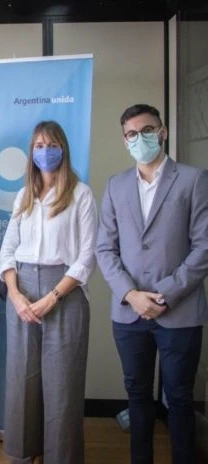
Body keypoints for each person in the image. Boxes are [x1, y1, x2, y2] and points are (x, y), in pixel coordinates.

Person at [96, 103, 208, 464]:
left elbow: (204, 247)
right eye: (131, 134)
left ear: (162, 132)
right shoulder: (116, 185)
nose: (139, 138)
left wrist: (164, 295)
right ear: (124, 140)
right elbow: (104, 248)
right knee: (137, 396)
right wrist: (131, 294)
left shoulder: (193, 179)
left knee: (179, 398)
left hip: (179, 312)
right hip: (129, 314)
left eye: (146, 130)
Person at [0, 120, 97, 464]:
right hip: (22, 293)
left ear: (63, 149)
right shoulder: (24, 196)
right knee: (22, 381)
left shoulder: (81, 194)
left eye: (51, 145)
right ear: (31, 152)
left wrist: (53, 296)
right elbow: (7, 250)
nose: (45, 151)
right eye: (38, 146)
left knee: (62, 386)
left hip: (64, 294)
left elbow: (87, 256)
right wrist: (15, 295)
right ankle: (25, 455)